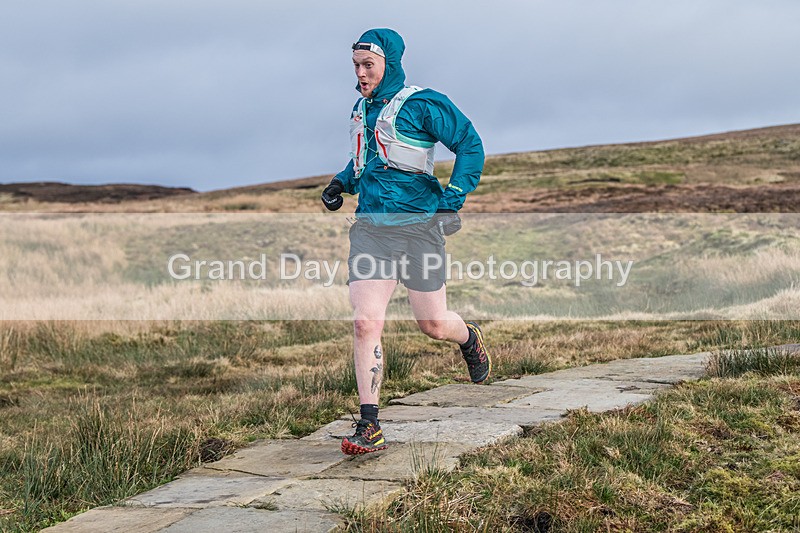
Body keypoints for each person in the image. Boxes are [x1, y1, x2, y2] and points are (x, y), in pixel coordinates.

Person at [321, 28, 490, 456]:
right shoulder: (361, 111)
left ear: (389, 64)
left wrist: (453, 198)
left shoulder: (422, 103)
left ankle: (467, 337)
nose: (360, 74)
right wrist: (341, 182)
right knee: (365, 321)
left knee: (432, 324)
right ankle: (370, 425)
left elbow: (470, 145)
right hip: (371, 230)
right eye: (355, 66)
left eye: (368, 66)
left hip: (419, 228)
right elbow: (367, 162)